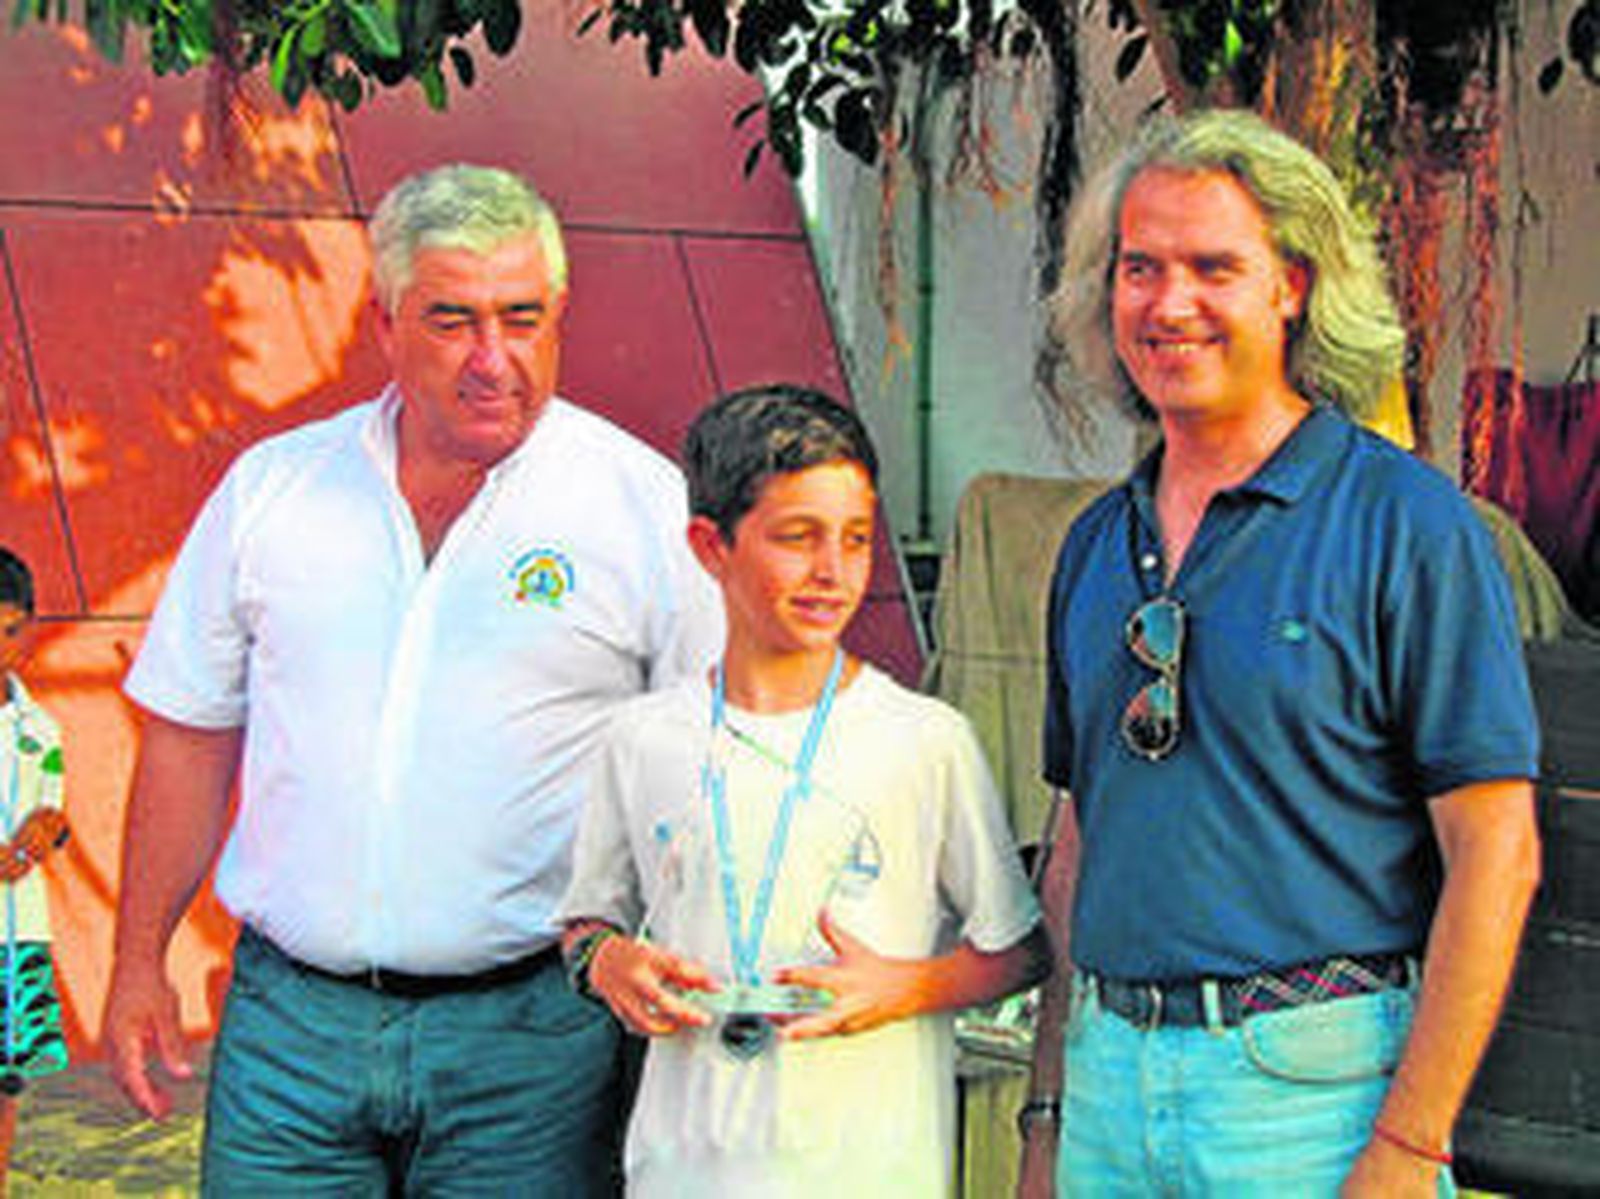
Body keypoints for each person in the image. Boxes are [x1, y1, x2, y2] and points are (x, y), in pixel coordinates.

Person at [105, 164, 722, 1195]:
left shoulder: (645, 510)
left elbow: (712, 767)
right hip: (289, 1038)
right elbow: (188, 736)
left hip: (533, 1041)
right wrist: (135, 960)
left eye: (521, 318)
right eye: (452, 321)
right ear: (383, 318)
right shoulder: (274, 492)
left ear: (559, 312)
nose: (493, 359)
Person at [1018, 110, 1542, 1198]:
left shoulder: (1409, 526)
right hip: (1109, 1089)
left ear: (1292, 285)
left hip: (1311, 1097)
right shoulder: (1091, 546)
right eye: (1139, 268)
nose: (1170, 304)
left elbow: (1496, 850)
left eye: (1214, 266)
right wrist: (1049, 1111)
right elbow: (1079, 842)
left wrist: (1408, 1144)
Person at [559, 384, 1049, 1197]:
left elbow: (1020, 948)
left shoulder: (925, 738)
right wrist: (608, 961)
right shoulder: (641, 739)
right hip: (684, 1169)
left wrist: (907, 986)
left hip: (870, 1169)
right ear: (710, 546)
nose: (833, 571)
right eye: (797, 537)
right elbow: (585, 923)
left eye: (855, 540)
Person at [0, 547, 71, 1185]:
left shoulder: (40, 730)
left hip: (16, 930)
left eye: (11, 631)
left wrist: (48, 830)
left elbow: (55, 811)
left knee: (6, 1081)